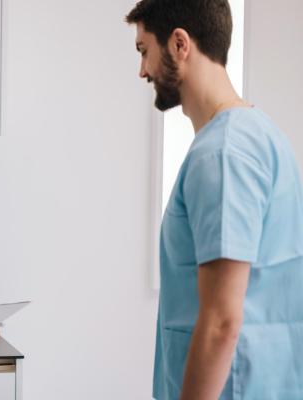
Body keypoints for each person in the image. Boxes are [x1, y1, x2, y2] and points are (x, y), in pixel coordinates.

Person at [126, 1, 303, 399]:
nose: (142, 71)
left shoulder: (223, 153)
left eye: (143, 51)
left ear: (179, 44)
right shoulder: (258, 135)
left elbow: (222, 321)